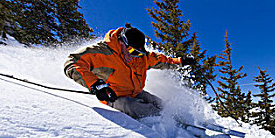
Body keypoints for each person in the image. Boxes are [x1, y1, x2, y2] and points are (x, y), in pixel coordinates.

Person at [64, 24, 195, 119]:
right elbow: (72, 63)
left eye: (138, 53)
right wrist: (95, 85)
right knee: (134, 107)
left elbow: (162, 61)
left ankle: (177, 120)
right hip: (113, 97)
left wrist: (181, 61)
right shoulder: (102, 52)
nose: (134, 56)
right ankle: (164, 123)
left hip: (136, 92)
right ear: (122, 42)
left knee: (160, 104)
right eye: (132, 51)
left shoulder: (140, 58)